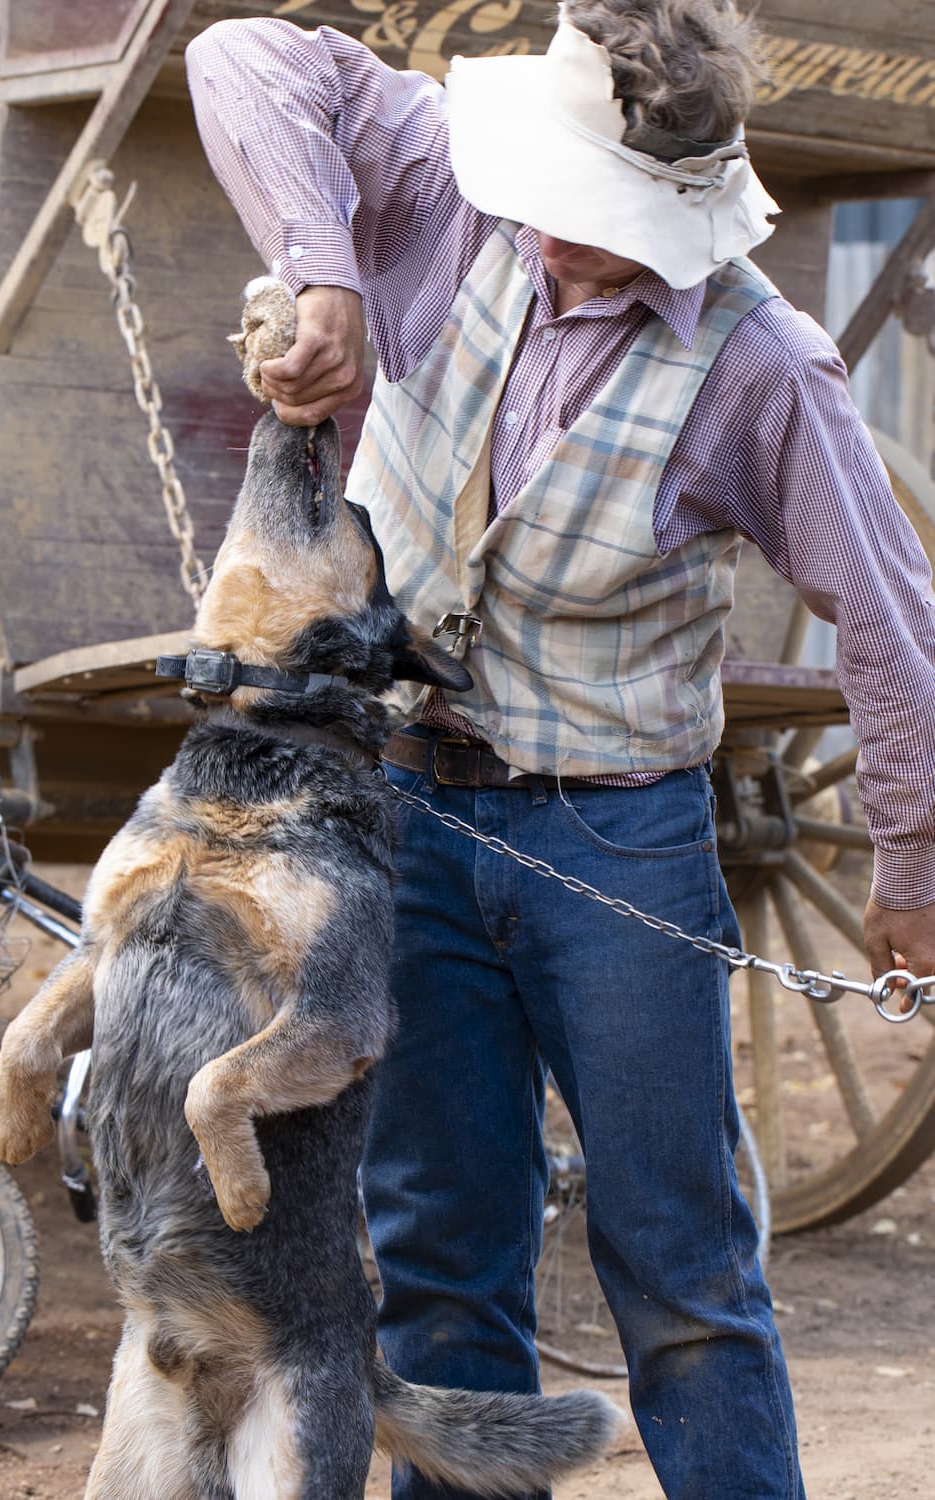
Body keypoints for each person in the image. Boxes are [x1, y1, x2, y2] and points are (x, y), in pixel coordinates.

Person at [185, 3, 935, 1497]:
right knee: (440, 1256)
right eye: (572, 211)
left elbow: (891, 625)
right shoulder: (456, 202)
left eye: (619, 229)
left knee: (686, 1280)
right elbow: (239, 55)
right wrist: (327, 277)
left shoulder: (763, 369)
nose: (572, 247)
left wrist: (913, 864)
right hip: (406, 820)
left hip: (619, 844)